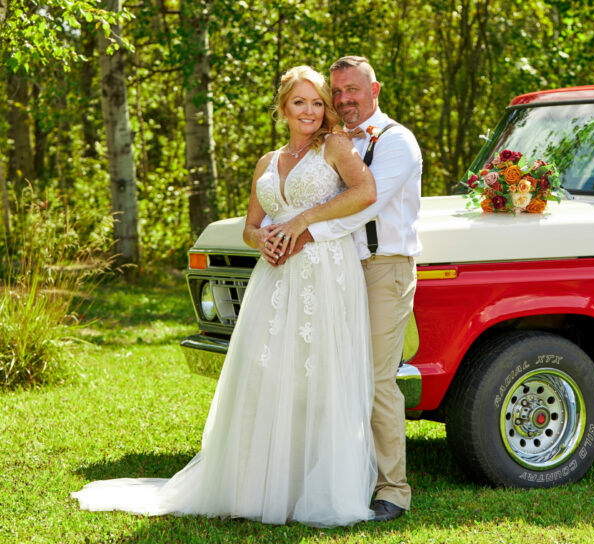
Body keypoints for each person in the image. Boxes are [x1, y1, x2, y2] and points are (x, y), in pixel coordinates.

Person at [72, 65, 379, 527]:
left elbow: (365, 192)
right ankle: (260, 483)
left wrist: (302, 222)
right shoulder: (266, 162)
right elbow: (250, 226)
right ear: (283, 108)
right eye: (300, 102)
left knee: (317, 375)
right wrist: (264, 241)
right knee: (270, 375)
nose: (310, 111)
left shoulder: (335, 147)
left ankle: (315, 487)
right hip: (274, 276)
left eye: (318, 102)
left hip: (323, 272)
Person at [266, 56, 422, 522]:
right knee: (332, 375)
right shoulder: (330, 143)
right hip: (336, 271)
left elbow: (362, 207)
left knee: (375, 379)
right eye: (337, 92)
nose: (343, 100)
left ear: (375, 90)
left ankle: (393, 490)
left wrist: (302, 230)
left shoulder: (397, 141)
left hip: (383, 267)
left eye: (352, 90)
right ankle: (336, 475)